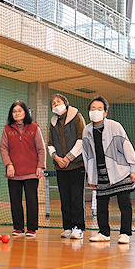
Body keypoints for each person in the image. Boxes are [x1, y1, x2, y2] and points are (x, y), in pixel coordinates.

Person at [82, 96, 135, 244]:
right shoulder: (87, 131)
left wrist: (133, 168)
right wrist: (91, 177)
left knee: (124, 204)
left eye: (99, 109)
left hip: (120, 172)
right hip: (100, 175)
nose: (96, 111)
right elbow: (87, 156)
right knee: (101, 205)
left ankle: (125, 233)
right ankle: (104, 233)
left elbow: (127, 147)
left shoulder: (115, 126)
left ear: (105, 112)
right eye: (93, 109)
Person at [0, 101, 46, 238]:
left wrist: (40, 166)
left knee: (32, 200)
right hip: (13, 172)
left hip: (32, 171)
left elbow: (41, 148)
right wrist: (8, 165)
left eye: (20, 110)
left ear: (25, 112)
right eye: (14, 111)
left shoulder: (34, 127)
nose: (17, 113)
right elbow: (3, 148)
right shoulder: (7, 129)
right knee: (15, 200)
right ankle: (18, 228)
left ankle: (32, 228)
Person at [48, 93, 86, 239]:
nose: (56, 105)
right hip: (60, 166)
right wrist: (57, 158)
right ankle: (68, 226)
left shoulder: (76, 116)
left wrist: (68, 158)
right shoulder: (53, 122)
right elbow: (50, 144)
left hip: (76, 165)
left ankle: (78, 227)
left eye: (58, 101)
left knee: (76, 197)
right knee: (64, 197)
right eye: (53, 103)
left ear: (65, 102)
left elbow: (81, 140)